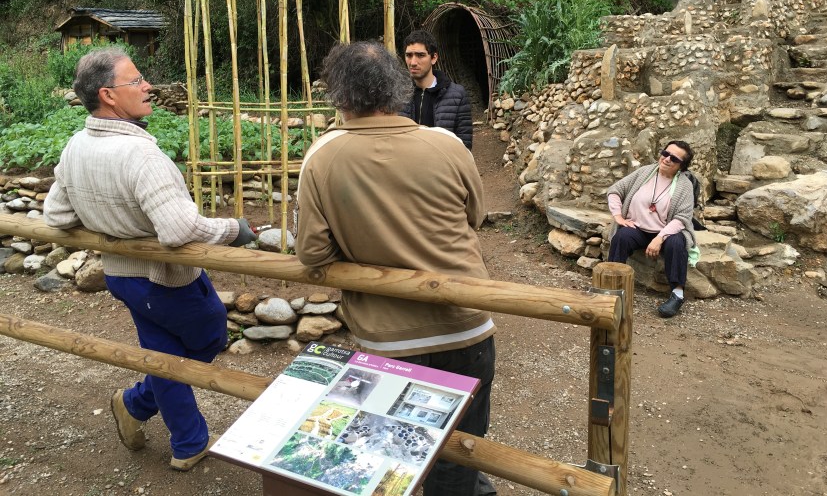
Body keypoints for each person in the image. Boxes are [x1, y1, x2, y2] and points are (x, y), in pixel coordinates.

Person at [296, 41, 496, 496]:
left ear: (338, 94)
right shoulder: (446, 144)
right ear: (398, 86)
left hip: (387, 337)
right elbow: (475, 217)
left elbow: (312, 252)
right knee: (459, 448)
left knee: (392, 450)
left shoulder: (322, 157)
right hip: (465, 324)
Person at [43, 47, 256, 471]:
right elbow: (179, 229)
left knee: (162, 350)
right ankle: (139, 404)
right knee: (209, 334)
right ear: (108, 95)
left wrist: (110, 222)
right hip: (165, 279)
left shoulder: (76, 146)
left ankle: (184, 438)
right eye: (137, 80)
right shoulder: (141, 156)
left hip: (122, 277)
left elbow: (57, 215)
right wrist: (234, 230)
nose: (148, 86)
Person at [606, 141, 698, 318]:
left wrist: (659, 238)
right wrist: (618, 216)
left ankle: (677, 294)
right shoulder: (644, 172)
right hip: (638, 228)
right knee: (622, 237)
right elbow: (615, 190)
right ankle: (612, 287)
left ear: (681, 165)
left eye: (674, 158)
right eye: (665, 153)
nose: (667, 159)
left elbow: (682, 218)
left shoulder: (685, 185)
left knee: (677, 243)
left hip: (666, 231)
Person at [399, 29, 473, 149]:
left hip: (443, 160)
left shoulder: (456, 95)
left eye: (420, 55)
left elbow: (464, 145)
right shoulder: (398, 95)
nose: (413, 62)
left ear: (433, 58)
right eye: (409, 55)